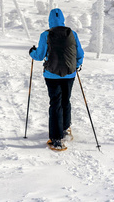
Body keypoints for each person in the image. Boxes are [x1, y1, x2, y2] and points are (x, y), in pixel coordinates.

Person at [29, 8, 84, 150]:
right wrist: (75, 66)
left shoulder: (45, 35)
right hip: (69, 74)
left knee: (55, 104)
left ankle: (56, 138)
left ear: (50, 20)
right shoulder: (72, 34)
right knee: (66, 100)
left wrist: (32, 52)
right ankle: (65, 128)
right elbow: (80, 53)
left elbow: (40, 55)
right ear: (63, 20)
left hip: (51, 75)